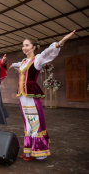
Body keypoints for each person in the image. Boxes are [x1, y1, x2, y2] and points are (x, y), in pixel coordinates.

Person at [9, 30, 76, 161]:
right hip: (22, 96)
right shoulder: (22, 62)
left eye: (27, 45)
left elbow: (48, 52)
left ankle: (39, 151)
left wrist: (61, 42)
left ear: (33, 47)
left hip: (32, 94)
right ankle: (28, 151)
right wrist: (9, 65)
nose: (24, 48)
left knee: (35, 121)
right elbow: (17, 65)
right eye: (23, 45)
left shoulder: (38, 59)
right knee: (27, 123)